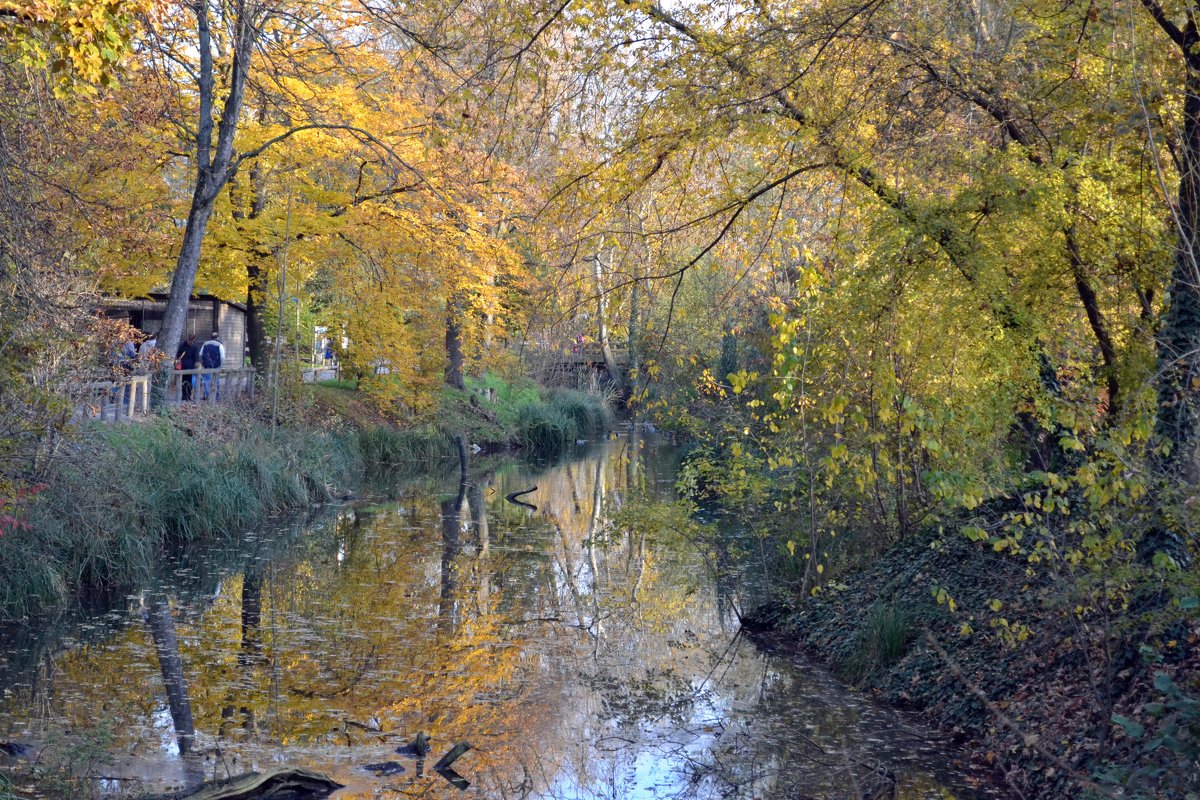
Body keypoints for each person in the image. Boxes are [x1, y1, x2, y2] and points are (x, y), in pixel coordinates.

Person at [199, 331, 225, 401]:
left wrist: (203, 362)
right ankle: (216, 397)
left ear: (211, 337)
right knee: (216, 381)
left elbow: (200, 354)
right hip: (216, 366)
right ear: (217, 337)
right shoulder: (220, 345)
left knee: (207, 380)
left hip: (207, 366)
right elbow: (222, 357)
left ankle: (207, 396)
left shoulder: (205, 344)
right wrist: (221, 366)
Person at [175, 334, 200, 401]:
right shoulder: (195, 347)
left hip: (182, 366)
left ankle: (184, 396)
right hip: (190, 367)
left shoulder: (182, 345)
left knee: (183, 381)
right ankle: (188, 396)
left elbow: (178, 355)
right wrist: (196, 365)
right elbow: (196, 357)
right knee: (189, 382)